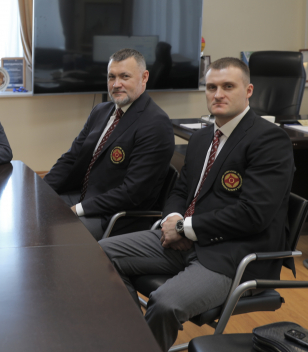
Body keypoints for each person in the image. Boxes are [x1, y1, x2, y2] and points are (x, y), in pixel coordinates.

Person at [99, 57, 294, 351]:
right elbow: (181, 190)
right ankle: (135, 338)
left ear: (248, 90)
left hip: (232, 254)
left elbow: (253, 214)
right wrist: (173, 219)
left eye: (228, 86)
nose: (218, 94)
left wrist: (184, 227)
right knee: (98, 255)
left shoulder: (270, 140)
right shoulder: (202, 138)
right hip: (185, 239)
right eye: (212, 87)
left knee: (165, 302)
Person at [44, 48, 174, 239]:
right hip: (83, 195)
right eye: (111, 77)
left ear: (144, 77)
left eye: (125, 76)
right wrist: (42, 190)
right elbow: (71, 159)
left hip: (114, 216)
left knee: (51, 230)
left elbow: (132, 193)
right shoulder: (101, 111)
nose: (116, 84)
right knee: (32, 211)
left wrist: (78, 209)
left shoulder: (155, 124)